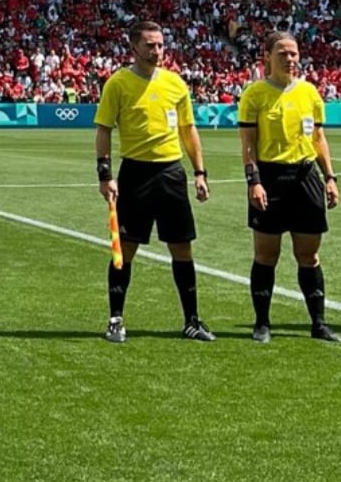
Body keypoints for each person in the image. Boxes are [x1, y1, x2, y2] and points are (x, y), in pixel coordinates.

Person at [94, 20, 214, 344]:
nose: (156, 50)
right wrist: (105, 175)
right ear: (134, 47)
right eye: (150, 44)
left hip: (171, 173)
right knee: (126, 248)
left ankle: (191, 320)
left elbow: (189, 130)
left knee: (182, 247)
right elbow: (104, 129)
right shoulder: (117, 83)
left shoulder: (176, 84)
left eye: (160, 44)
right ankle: (116, 319)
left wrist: (199, 172)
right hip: (135, 174)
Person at [238, 31, 339, 343]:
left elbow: (318, 139)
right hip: (269, 178)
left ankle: (319, 324)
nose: (290, 58)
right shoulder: (254, 94)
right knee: (266, 254)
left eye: (294, 53)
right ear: (267, 56)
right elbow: (248, 144)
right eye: (282, 52)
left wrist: (330, 177)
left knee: (308, 255)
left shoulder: (310, 93)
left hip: (306, 177)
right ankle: (262, 323)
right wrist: (253, 182)